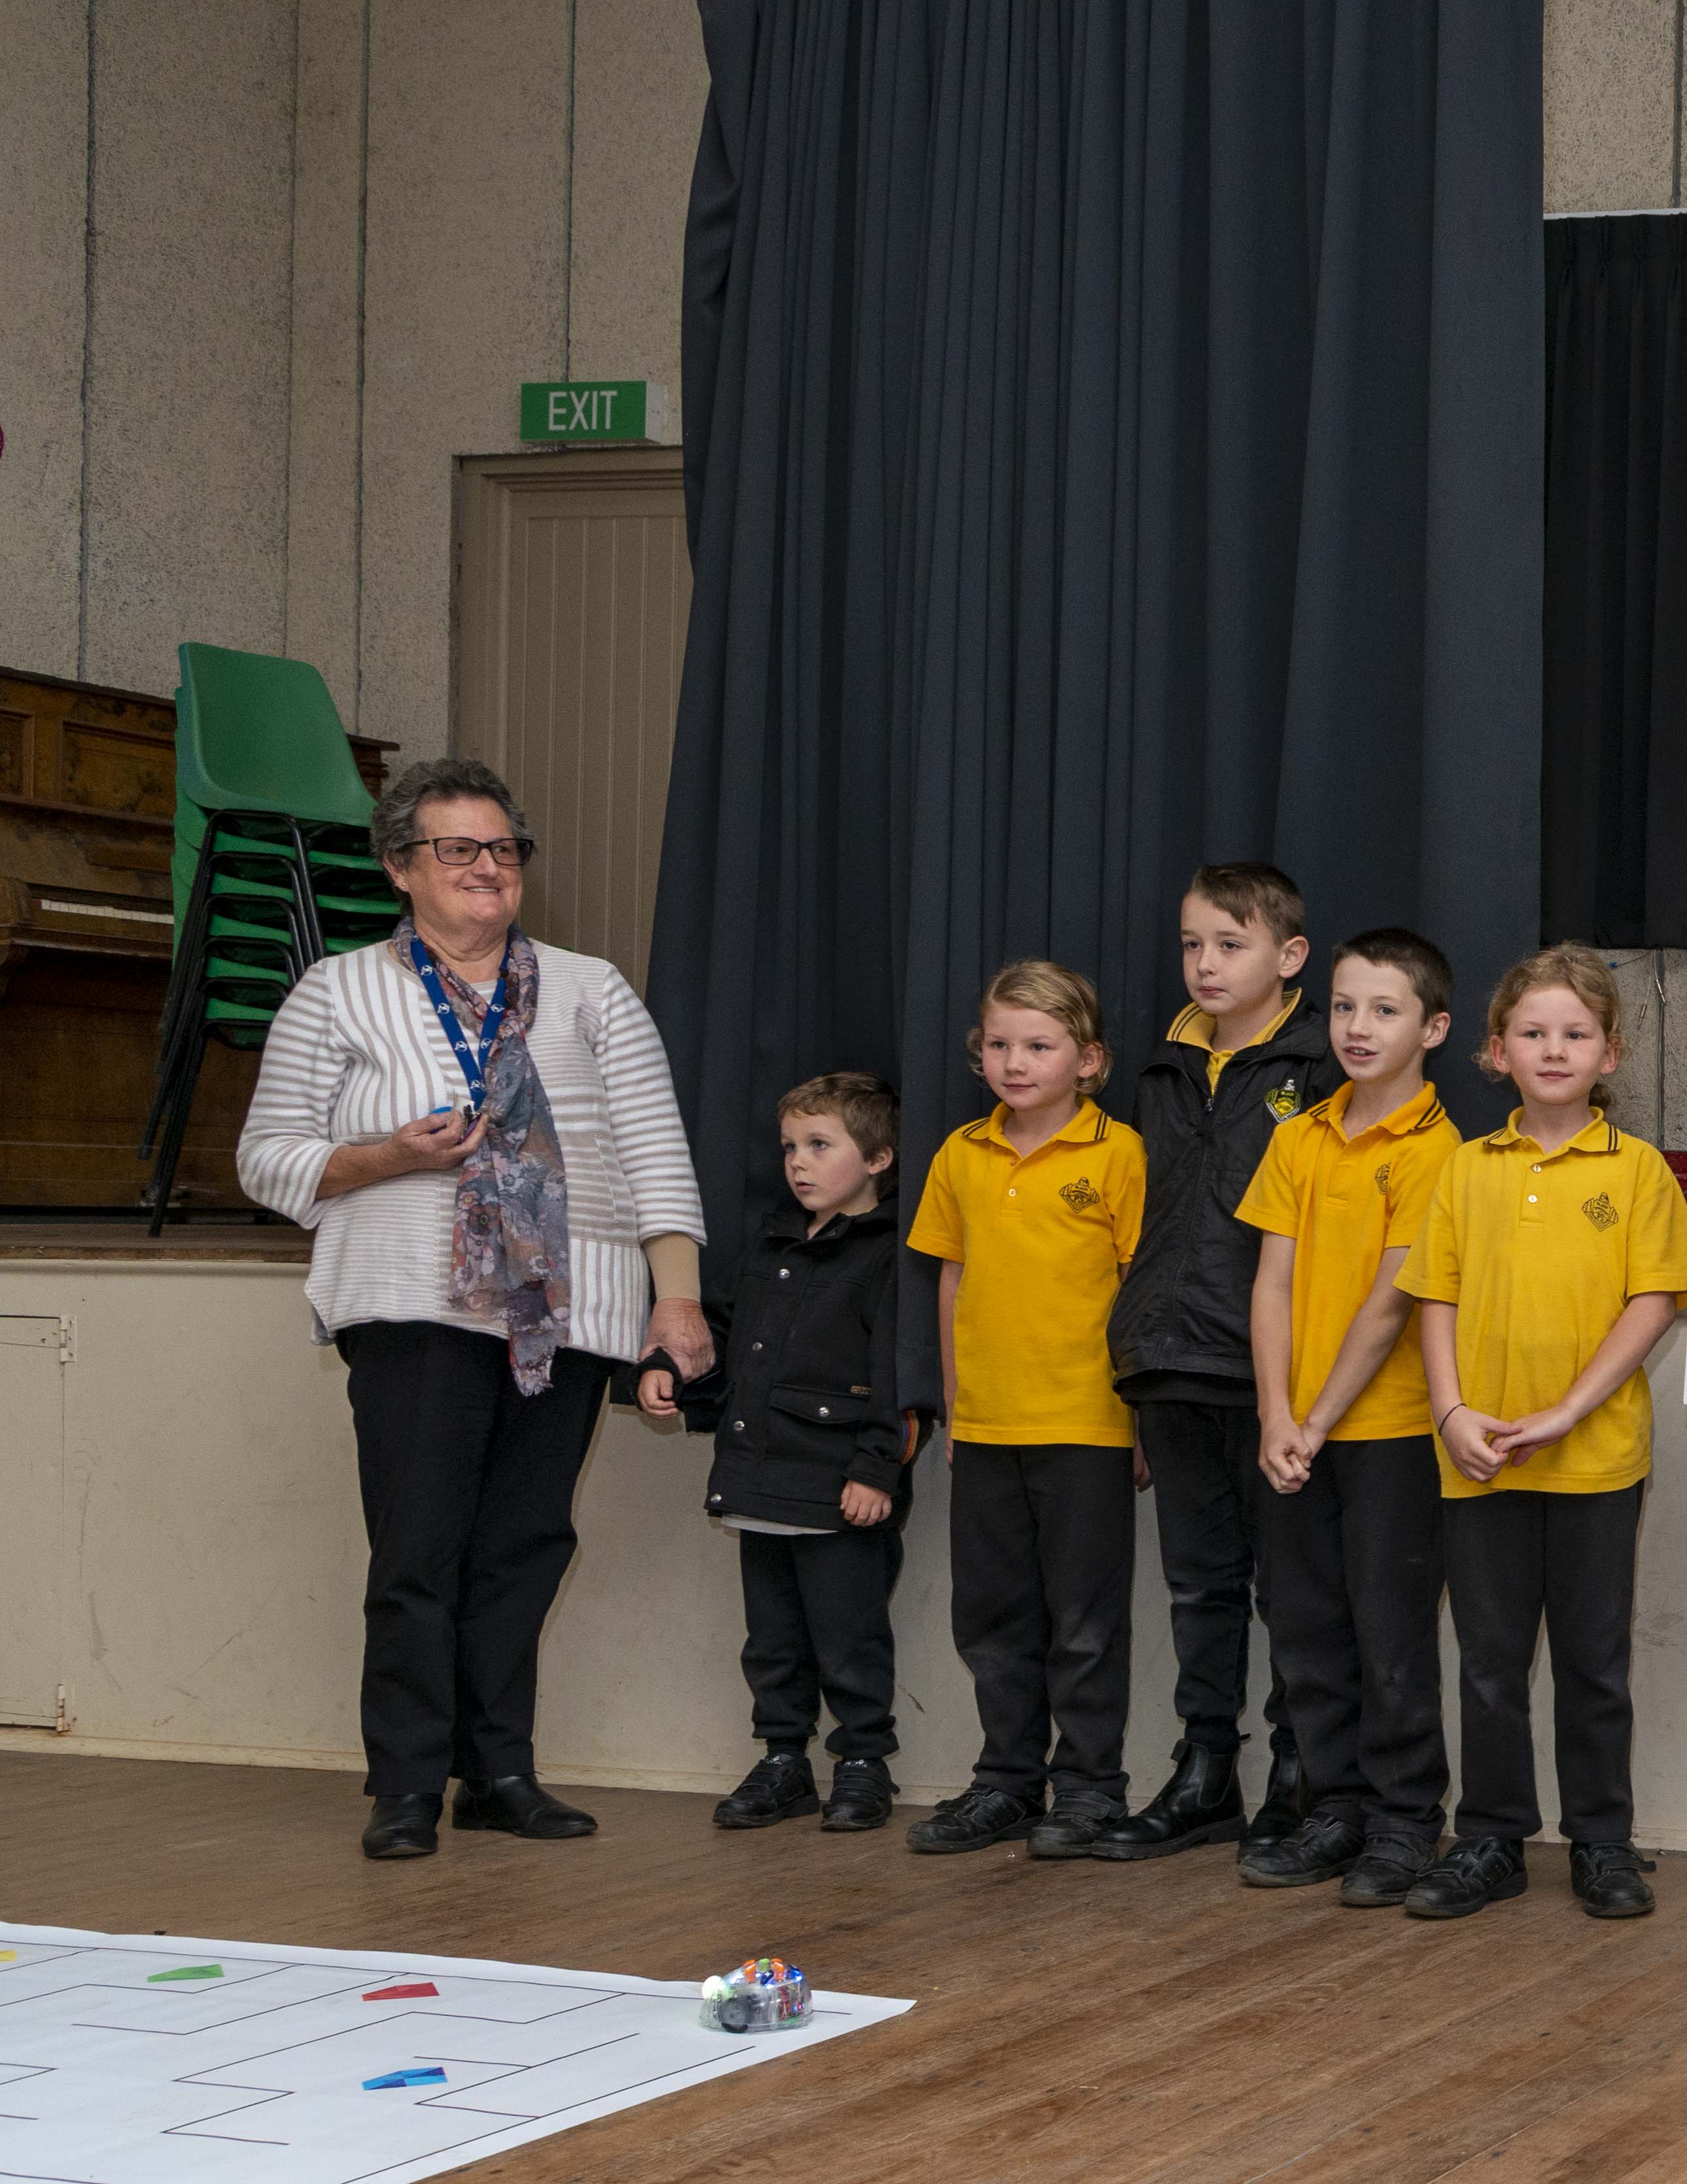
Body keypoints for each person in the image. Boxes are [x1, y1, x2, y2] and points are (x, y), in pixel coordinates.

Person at [235, 756, 714, 1861]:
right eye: (459, 848)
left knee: (525, 1546)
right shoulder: (338, 991)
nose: (488, 867)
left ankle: (499, 1773)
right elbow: (265, 1159)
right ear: (401, 867)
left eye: (503, 848)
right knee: (419, 1551)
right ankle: (407, 1784)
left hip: (570, 1310)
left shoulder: (593, 989)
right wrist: (387, 1156)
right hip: (412, 1302)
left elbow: (655, 1148)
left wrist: (678, 1301)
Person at [1403, 945, 1687, 1923]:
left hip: (1596, 1461)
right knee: (1489, 1664)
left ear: (1611, 1053)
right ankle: (1490, 1838)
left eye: (1575, 1033)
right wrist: (1451, 1413)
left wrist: (1569, 1411)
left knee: (1592, 1665)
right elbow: (1433, 1299)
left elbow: (1654, 1300)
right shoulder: (1464, 1169)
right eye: (1533, 1033)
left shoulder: (1639, 1170)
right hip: (1479, 1462)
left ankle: (1603, 1841)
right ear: (1497, 1052)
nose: (1554, 1049)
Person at [1102, 862, 1336, 1862]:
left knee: (1292, 1589)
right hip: (1168, 1359)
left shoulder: (1322, 1066)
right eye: (1192, 944)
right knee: (1199, 1586)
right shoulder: (1161, 1068)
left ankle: (1298, 1774)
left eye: (1230, 945)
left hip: (1275, 1374)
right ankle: (1204, 1774)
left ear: (1289, 957)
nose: (1206, 964)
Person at [904, 961, 1149, 1860]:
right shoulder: (961, 1153)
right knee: (992, 1614)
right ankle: (1006, 1781)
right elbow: (951, 1278)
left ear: (1088, 1059)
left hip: (1085, 1422)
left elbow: (1137, 1287)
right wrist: (956, 1403)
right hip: (988, 1424)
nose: (1016, 1062)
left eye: (1039, 1046)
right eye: (1000, 1044)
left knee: (1084, 1619)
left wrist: (1139, 1420)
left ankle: (1089, 1787)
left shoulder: (1118, 1153)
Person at [1239, 929, 1465, 1904]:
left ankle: (1405, 1822)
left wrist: (1318, 1417)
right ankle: (1333, 1810)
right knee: (1306, 1630)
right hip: (1295, 1436)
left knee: (1391, 1634)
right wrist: (1275, 1416)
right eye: (1341, 1006)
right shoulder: (1298, 1135)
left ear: (1434, 1029)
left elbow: (1390, 1306)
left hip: (1389, 1436)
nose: (1357, 1027)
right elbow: (1271, 1285)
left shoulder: (1438, 1151)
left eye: (1383, 1009)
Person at [640, 1070, 916, 1835]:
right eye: (790, 1146)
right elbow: (730, 1340)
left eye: (820, 1145)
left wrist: (877, 1468)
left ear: (878, 1158)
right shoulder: (772, 1242)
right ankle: (783, 1760)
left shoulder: (890, 1256)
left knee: (850, 1637)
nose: (798, 1162)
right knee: (772, 1641)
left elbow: (902, 1376)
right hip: (759, 1480)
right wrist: (671, 1369)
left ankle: (863, 1761)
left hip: (838, 1488)